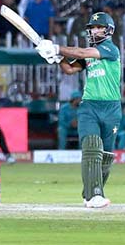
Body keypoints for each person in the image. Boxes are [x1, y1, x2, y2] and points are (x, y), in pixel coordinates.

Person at [36, 12, 120, 208]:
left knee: (106, 156)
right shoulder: (90, 54)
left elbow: (81, 53)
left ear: (108, 31)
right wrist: (55, 58)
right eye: (92, 28)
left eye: (99, 27)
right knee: (91, 145)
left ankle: (89, 193)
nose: (94, 30)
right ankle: (94, 196)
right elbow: (70, 69)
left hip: (112, 107)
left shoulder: (110, 49)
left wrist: (57, 47)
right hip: (89, 105)